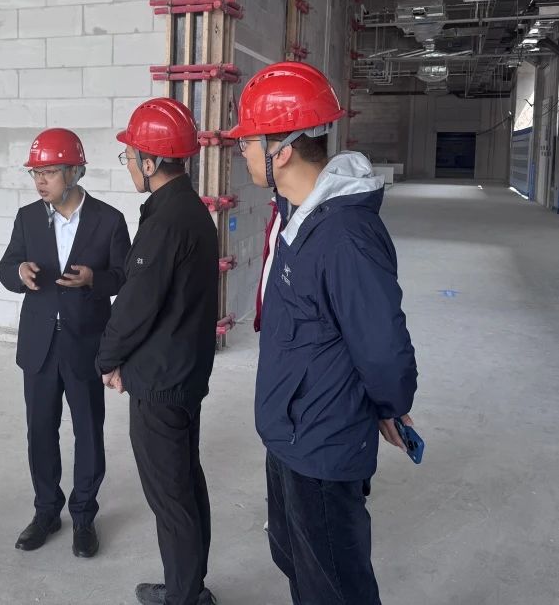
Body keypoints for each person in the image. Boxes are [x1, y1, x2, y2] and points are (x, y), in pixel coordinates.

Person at [226, 61, 419, 605]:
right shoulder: (296, 212)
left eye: (248, 142)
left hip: (323, 441)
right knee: (295, 558)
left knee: (335, 586)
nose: (242, 152)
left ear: (282, 151)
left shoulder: (345, 236)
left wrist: (390, 404)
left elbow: (382, 344)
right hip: (290, 430)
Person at [95, 98, 219, 605]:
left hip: (162, 383)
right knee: (185, 483)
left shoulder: (166, 222)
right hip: (184, 374)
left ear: (150, 163)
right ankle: (189, 586)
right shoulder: (190, 210)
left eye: (130, 156)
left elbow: (136, 304)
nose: (127, 164)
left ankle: (183, 597)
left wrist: (107, 360)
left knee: (171, 498)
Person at [0, 128, 130, 559]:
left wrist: (94, 280)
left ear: (75, 172)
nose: (40, 180)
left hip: (85, 343)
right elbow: (6, 267)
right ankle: (46, 512)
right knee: (40, 431)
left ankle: (84, 516)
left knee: (88, 431)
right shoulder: (27, 218)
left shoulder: (108, 220)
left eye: (50, 172)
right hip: (39, 345)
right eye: (35, 172)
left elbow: (124, 278)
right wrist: (19, 273)